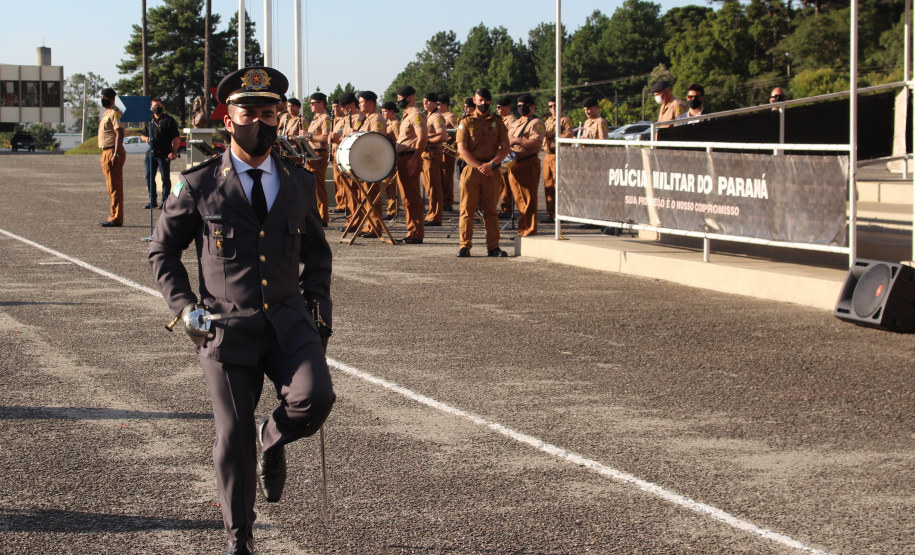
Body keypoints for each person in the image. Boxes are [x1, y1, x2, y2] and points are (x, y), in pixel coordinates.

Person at [147, 66, 335, 555]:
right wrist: (185, 306)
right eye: (248, 111)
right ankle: (240, 537)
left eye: (269, 112)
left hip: (290, 319)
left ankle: (271, 442)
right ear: (227, 119)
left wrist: (320, 303)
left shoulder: (297, 182)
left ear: (280, 117)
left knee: (315, 400)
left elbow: (317, 254)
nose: (260, 122)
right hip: (226, 326)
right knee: (232, 435)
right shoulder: (199, 183)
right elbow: (162, 251)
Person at [455, 87, 510, 258]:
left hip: (492, 171)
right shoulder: (466, 122)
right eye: (480, 100)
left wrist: (492, 164)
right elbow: (462, 149)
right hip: (472, 169)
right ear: (474, 100)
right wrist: (480, 165)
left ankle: (493, 247)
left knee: (491, 211)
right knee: (467, 209)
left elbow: (505, 147)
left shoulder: (498, 122)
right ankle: (465, 246)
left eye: (486, 101)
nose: (483, 103)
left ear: (490, 102)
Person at [506, 94, 545, 237]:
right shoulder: (516, 123)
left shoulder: (536, 123)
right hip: (514, 162)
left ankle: (529, 230)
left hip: (528, 162)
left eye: (524, 105)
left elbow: (536, 144)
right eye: (519, 105)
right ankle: (522, 229)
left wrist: (517, 140)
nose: (521, 108)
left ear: (532, 106)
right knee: (519, 199)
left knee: (528, 199)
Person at [393, 85, 428, 244]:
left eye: (400, 98)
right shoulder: (407, 115)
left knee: (411, 198)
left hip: (409, 158)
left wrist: (414, 159)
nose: (398, 101)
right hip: (402, 158)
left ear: (410, 98)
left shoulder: (416, 114)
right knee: (406, 198)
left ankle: (416, 233)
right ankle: (411, 231)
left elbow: (422, 139)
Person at [355, 90, 389, 238]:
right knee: (366, 196)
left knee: (372, 195)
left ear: (370, 102)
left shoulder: (377, 119)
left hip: (373, 163)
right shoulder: (368, 118)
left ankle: (376, 227)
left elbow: (378, 140)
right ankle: (370, 226)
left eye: (362, 102)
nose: (359, 105)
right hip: (366, 162)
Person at [140, 97, 181, 209]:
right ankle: (152, 200)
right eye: (154, 106)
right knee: (149, 177)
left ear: (163, 107)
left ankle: (165, 200)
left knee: (165, 177)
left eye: (158, 106)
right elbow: (142, 135)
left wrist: (174, 151)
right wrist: (146, 139)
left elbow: (176, 138)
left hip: (164, 153)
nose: (156, 108)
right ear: (151, 107)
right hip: (151, 154)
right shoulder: (150, 120)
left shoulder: (168, 120)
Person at [333, 92, 365, 231]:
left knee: (355, 192)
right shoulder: (347, 118)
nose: (343, 109)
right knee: (349, 192)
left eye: (344, 106)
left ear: (352, 104)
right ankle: (352, 218)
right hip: (344, 158)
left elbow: (356, 139)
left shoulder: (359, 118)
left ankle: (356, 221)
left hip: (353, 158)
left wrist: (338, 138)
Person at [541, 96, 573, 223]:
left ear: (561, 105)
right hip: (548, 155)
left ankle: (561, 213)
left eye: (555, 105)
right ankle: (551, 214)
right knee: (548, 186)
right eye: (550, 106)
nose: (553, 108)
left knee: (558, 185)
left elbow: (569, 135)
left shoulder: (565, 120)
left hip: (559, 155)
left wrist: (554, 134)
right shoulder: (549, 120)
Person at [98, 87, 126, 227]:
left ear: (112, 98)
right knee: (111, 187)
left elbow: (119, 133)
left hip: (112, 152)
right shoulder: (107, 113)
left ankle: (116, 218)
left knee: (115, 187)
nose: (103, 99)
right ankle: (113, 215)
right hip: (106, 151)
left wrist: (115, 153)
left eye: (105, 97)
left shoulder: (115, 113)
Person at [305, 92, 332, 226]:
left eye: (313, 103)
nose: (311, 105)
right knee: (312, 187)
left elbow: (325, 138)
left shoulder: (325, 118)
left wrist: (308, 135)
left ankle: (323, 217)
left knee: (319, 187)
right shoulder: (316, 118)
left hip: (319, 154)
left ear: (321, 104)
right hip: (311, 154)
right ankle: (316, 214)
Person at [422, 92, 448, 227]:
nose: (425, 103)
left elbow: (443, 136)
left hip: (432, 153)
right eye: (424, 101)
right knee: (429, 186)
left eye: (428, 101)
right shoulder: (429, 116)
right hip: (426, 154)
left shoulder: (437, 117)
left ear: (434, 102)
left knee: (434, 186)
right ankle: (432, 213)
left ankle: (436, 216)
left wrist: (425, 141)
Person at [496, 96, 516, 219]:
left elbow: (509, 139)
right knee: (502, 184)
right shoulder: (502, 120)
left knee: (506, 184)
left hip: (507, 155)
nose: (497, 110)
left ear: (507, 107)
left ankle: (507, 209)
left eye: (500, 107)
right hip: (500, 154)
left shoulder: (512, 120)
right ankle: (504, 207)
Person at [437, 94, 457, 212]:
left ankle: (448, 202)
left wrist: (451, 143)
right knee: (440, 177)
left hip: (448, 151)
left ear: (445, 105)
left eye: (439, 104)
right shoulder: (439, 116)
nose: (437, 106)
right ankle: (442, 200)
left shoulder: (450, 116)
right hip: (439, 150)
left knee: (447, 177)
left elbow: (457, 131)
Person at [381, 101, 400, 220]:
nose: (383, 114)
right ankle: (389, 208)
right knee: (387, 185)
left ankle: (393, 210)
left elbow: (399, 141)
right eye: (382, 112)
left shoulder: (395, 124)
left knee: (392, 185)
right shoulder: (386, 123)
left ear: (392, 111)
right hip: (386, 156)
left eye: (385, 112)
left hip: (393, 156)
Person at [329, 99, 347, 214]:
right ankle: (340, 203)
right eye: (333, 107)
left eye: (337, 106)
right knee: (337, 180)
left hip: (342, 152)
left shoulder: (344, 119)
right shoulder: (334, 120)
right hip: (334, 152)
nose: (335, 109)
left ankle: (344, 204)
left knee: (342, 180)